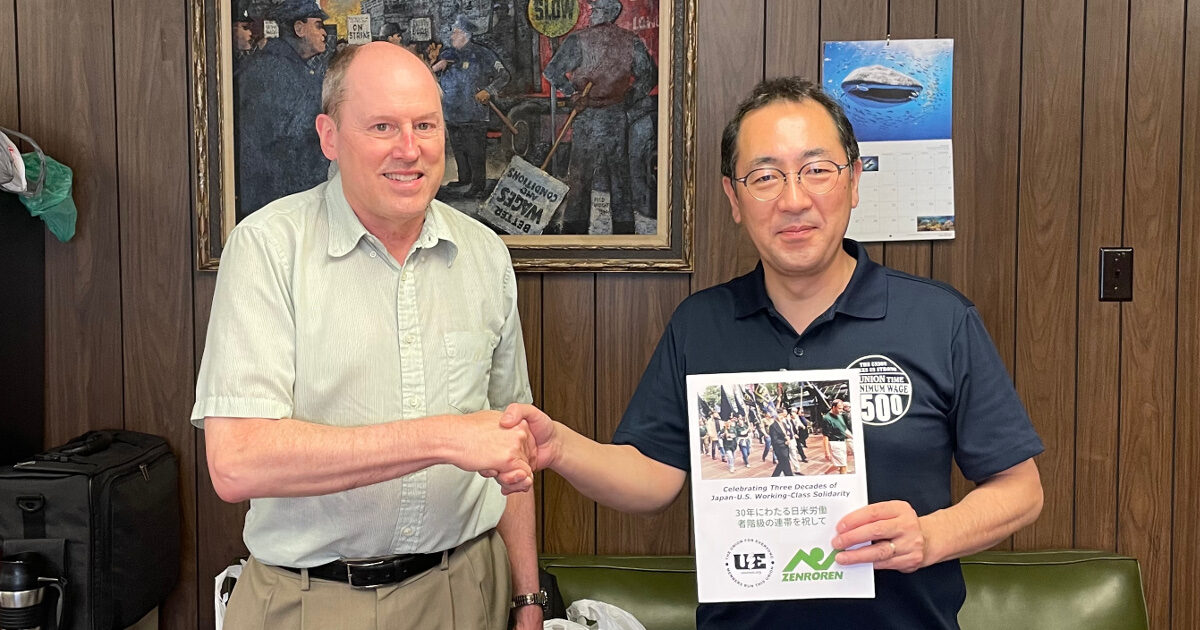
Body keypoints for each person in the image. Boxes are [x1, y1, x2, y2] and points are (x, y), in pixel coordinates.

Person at [500, 76, 1044, 629]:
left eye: (816, 170)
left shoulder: (939, 319)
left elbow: (1020, 489)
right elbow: (652, 476)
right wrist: (559, 447)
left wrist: (930, 536)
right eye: (765, 176)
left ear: (854, 181)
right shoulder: (701, 324)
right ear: (734, 198)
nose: (793, 199)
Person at [194, 42, 543, 630]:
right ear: (329, 137)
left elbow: (511, 443)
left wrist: (528, 599)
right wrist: (442, 438)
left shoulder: (484, 254)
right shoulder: (268, 248)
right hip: (310, 602)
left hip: (467, 591)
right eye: (382, 126)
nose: (410, 150)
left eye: (425, 125)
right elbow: (237, 463)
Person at [542, 0, 656, 234]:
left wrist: (572, 93)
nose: (591, 12)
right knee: (619, 179)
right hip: (614, 115)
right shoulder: (631, 41)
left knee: (581, 178)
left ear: (608, 13)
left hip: (588, 115)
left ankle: (574, 232)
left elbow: (552, 71)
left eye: (596, 9)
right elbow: (649, 76)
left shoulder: (578, 40)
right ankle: (624, 235)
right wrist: (630, 97)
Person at [234, 0, 331, 221]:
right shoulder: (273, 70)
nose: (324, 33)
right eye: (318, 25)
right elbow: (286, 140)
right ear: (299, 29)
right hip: (279, 201)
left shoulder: (295, 67)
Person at [431, 16, 509, 198]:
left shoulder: (482, 53)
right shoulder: (448, 54)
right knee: (458, 148)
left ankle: (478, 186)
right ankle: (464, 179)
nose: (452, 36)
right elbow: (435, 74)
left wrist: (489, 90)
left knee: (475, 151)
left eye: (456, 33)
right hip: (452, 113)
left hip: (474, 114)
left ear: (465, 35)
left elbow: (504, 76)